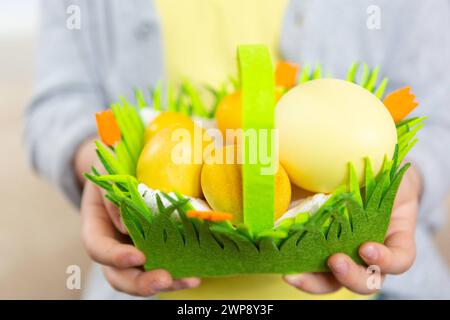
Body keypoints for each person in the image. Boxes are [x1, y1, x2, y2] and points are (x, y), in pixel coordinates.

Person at [25, 0, 450, 299]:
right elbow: (58, 105)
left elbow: (435, 112)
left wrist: (408, 177)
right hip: (153, 282)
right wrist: (92, 160)